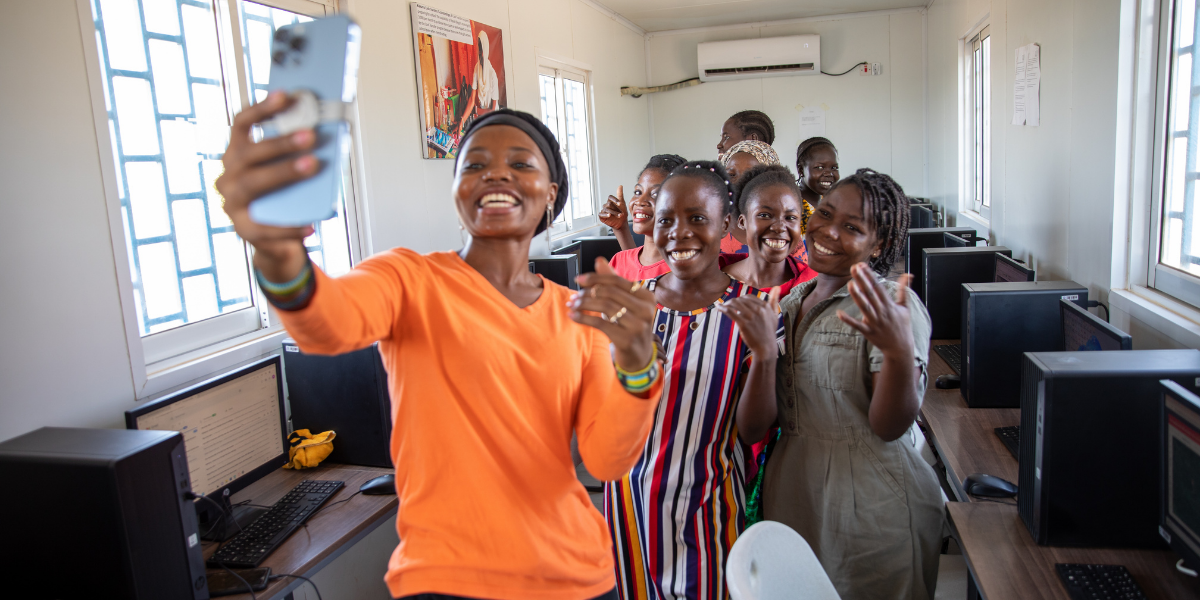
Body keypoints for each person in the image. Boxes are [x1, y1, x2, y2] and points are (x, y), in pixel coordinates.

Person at [217, 98, 665, 600]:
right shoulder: (409, 280)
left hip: (574, 576)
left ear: (551, 193)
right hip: (445, 578)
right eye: (475, 164)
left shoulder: (577, 314)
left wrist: (638, 365)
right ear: (456, 190)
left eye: (520, 163)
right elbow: (323, 322)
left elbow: (607, 461)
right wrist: (276, 249)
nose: (496, 175)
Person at [749, 168, 943, 600]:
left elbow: (890, 426)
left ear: (879, 245)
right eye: (825, 213)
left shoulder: (892, 304)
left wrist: (895, 353)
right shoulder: (792, 300)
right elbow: (763, 420)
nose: (828, 231)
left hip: (872, 506)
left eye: (852, 227)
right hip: (795, 494)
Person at [604, 161, 782, 600]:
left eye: (697, 219)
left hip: (710, 506)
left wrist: (763, 355)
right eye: (666, 220)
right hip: (630, 504)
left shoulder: (755, 310)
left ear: (725, 225)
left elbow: (754, 430)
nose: (678, 233)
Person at [599, 154, 687, 281]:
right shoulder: (618, 262)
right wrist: (620, 228)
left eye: (656, 194)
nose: (640, 201)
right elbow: (638, 270)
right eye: (638, 192)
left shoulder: (688, 270)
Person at [718, 140, 781, 254]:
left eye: (750, 175)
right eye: (731, 175)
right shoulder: (711, 228)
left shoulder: (783, 229)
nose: (739, 182)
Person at [457, 30, 500, 135]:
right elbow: (472, 99)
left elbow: (493, 110)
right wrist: (461, 121)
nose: (480, 53)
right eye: (479, 50)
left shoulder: (492, 75)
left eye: (482, 50)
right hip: (481, 115)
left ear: (485, 50)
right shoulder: (477, 68)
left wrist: (478, 112)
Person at [795, 136, 840, 211]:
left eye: (834, 168)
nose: (829, 174)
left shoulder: (833, 204)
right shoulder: (791, 204)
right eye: (820, 167)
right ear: (801, 170)